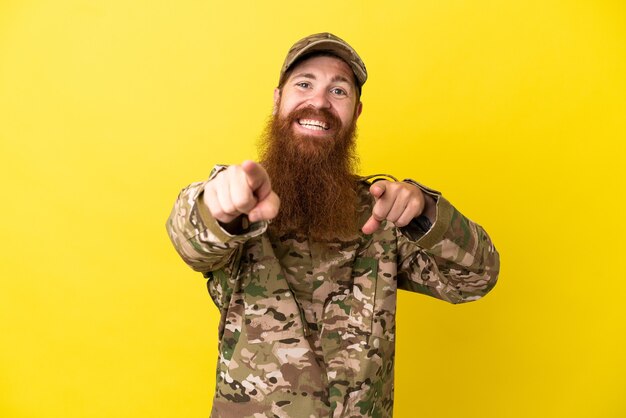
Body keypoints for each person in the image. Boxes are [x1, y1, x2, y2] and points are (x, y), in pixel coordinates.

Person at [166, 32, 500, 418]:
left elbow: (476, 279)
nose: (319, 102)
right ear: (278, 100)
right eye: (304, 84)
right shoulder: (242, 199)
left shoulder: (384, 214)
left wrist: (425, 210)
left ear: (356, 113)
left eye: (338, 91)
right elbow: (190, 238)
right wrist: (220, 206)